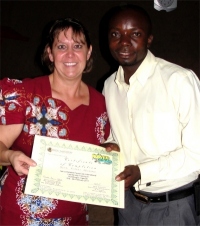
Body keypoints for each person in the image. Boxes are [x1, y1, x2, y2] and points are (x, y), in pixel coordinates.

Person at [0, 17, 111, 225]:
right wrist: (10, 155)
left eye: (77, 46)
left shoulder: (101, 105)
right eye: (61, 46)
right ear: (50, 53)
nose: (70, 54)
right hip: (21, 215)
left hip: (74, 216)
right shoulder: (25, 93)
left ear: (88, 52)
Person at [102, 4, 200, 225]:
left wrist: (142, 171)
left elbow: (197, 153)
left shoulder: (179, 80)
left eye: (135, 34)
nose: (124, 42)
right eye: (116, 34)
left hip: (173, 206)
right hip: (128, 205)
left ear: (149, 39)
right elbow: (117, 135)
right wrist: (111, 146)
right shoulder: (109, 86)